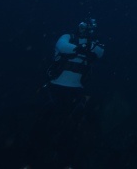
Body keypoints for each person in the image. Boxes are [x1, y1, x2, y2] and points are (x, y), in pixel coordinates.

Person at [27, 19, 105, 167]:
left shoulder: (95, 43)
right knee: (43, 124)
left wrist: (84, 47)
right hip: (55, 88)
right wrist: (82, 48)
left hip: (76, 91)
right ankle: (32, 160)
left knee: (71, 128)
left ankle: (66, 161)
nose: (85, 30)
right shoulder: (67, 37)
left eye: (88, 27)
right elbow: (62, 47)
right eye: (82, 26)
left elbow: (100, 52)